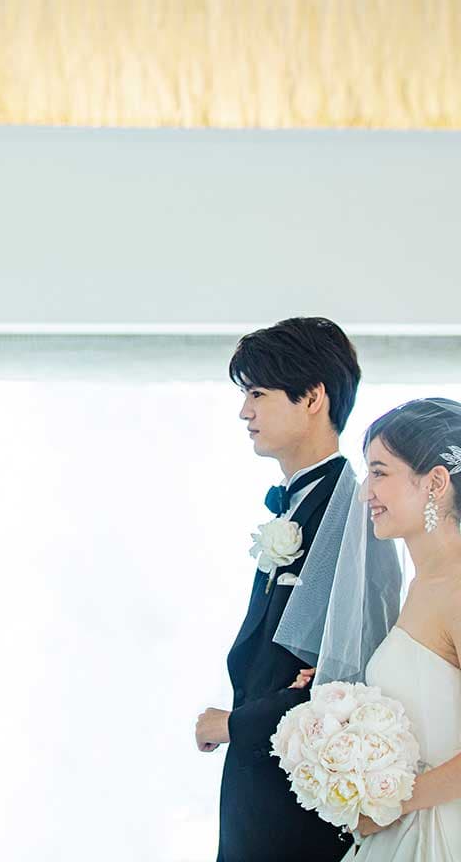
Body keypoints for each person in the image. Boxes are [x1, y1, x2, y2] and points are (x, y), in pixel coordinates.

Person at [196, 317, 399, 862]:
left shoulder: (356, 510)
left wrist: (235, 724)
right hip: (259, 787)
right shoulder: (299, 503)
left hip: (299, 800)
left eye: (257, 394)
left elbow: (348, 681)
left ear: (312, 398)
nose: (245, 412)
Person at [337, 397, 461, 860]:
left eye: (380, 472)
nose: (365, 492)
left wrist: (392, 804)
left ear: (435, 482)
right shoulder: (421, 584)